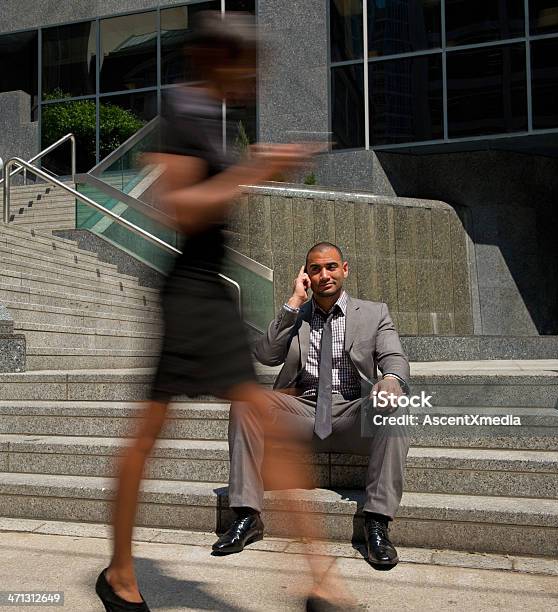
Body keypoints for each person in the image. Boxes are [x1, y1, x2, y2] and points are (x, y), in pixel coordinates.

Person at [94, 12, 311, 612]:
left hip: (208, 291)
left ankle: (320, 581)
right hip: (190, 292)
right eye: (248, 67)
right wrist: (253, 171)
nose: (253, 81)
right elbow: (178, 208)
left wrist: (256, 168)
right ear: (220, 59)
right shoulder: (181, 108)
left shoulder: (210, 114)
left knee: (231, 424)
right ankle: (118, 568)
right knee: (148, 438)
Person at [215, 241, 411, 567]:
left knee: (399, 407)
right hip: (302, 412)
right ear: (307, 275)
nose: (324, 275)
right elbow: (265, 354)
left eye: (331, 267)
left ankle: (377, 522)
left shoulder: (375, 313)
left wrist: (391, 381)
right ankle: (248, 516)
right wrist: (293, 303)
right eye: (315, 269)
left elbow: (395, 359)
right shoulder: (298, 317)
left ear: (344, 269)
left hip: (352, 412)